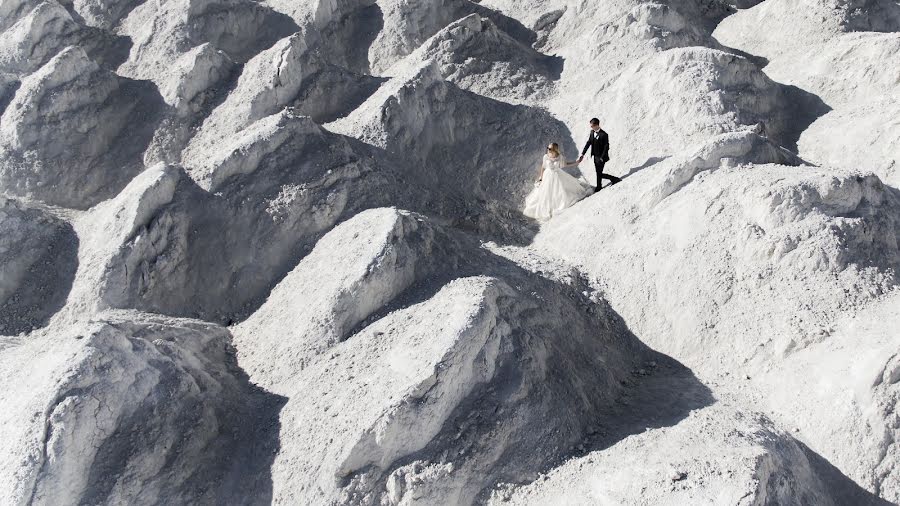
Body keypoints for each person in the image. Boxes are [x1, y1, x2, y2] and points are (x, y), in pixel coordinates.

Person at [523, 142, 592, 220]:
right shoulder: (545, 156)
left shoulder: (560, 157)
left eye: (549, 148)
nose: (547, 149)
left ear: (554, 149)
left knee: (560, 192)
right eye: (547, 148)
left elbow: (565, 165)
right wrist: (541, 178)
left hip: (557, 176)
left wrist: (576, 162)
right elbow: (543, 167)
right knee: (546, 193)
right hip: (547, 176)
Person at [577, 118, 620, 192]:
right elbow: (588, 143)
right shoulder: (592, 132)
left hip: (601, 157)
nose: (591, 127)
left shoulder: (604, 135)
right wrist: (582, 154)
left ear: (597, 125)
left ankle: (614, 179)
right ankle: (599, 186)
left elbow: (606, 147)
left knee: (599, 173)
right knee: (598, 172)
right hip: (595, 156)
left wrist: (602, 157)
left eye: (592, 126)